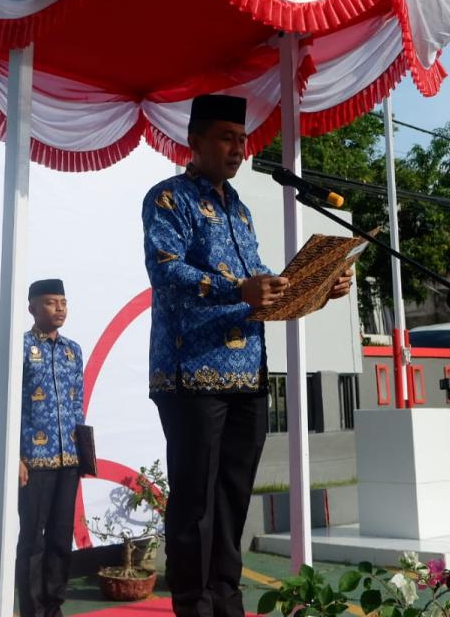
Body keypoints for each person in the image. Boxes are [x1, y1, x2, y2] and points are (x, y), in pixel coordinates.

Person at [141, 94, 353, 617]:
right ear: (194, 140)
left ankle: (228, 604)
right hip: (191, 374)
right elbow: (166, 272)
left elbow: (263, 290)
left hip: (247, 376)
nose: (237, 148)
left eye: (241, 138)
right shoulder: (168, 198)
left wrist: (319, 287)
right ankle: (194, 606)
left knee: (233, 501)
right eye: (225, 137)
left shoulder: (239, 207)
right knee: (195, 506)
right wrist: (240, 291)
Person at [16, 279, 85, 617]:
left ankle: (54, 606)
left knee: (60, 538)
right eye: (50, 302)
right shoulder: (21, 348)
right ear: (32, 307)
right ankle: (32, 610)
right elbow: (10, 407)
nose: (59, 308)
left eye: (63, 301)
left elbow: (79, 408)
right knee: (32, 541)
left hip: (69, 459)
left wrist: (83, 456)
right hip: (33, 461)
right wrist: (15, 458)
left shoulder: (74, 350)